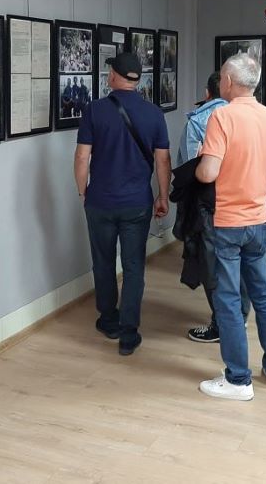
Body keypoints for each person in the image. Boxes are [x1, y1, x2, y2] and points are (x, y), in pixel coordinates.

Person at [195, 53, 266, 401]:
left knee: (229, 300)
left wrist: (200, 162)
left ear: (229, 82)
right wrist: (259, 199)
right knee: (264, 295)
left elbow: (208, 173)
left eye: (222, 77)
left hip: (229, 223)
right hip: (259, 219)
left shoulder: (222, 116)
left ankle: (237, 379)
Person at [74, 52, 171, 356]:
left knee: (103, 261)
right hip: (137, 204)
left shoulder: (94, 110)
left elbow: (82, 156)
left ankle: (108, 320)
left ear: (114, 76)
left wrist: (82, 191)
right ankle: (129, 333)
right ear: (137, 79)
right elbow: (162, 160)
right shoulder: (154, 114)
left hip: (100, 202)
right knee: (133, 266)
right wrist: (163, 195)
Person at [173, 72, 251, 343]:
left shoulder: (198, 121)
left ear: (207, 93)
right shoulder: (248, 118)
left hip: (208, 203)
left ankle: (222, 325)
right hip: (243, 202)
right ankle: (240, 316)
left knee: (212, 265)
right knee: (239, 262)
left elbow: (190, 168)